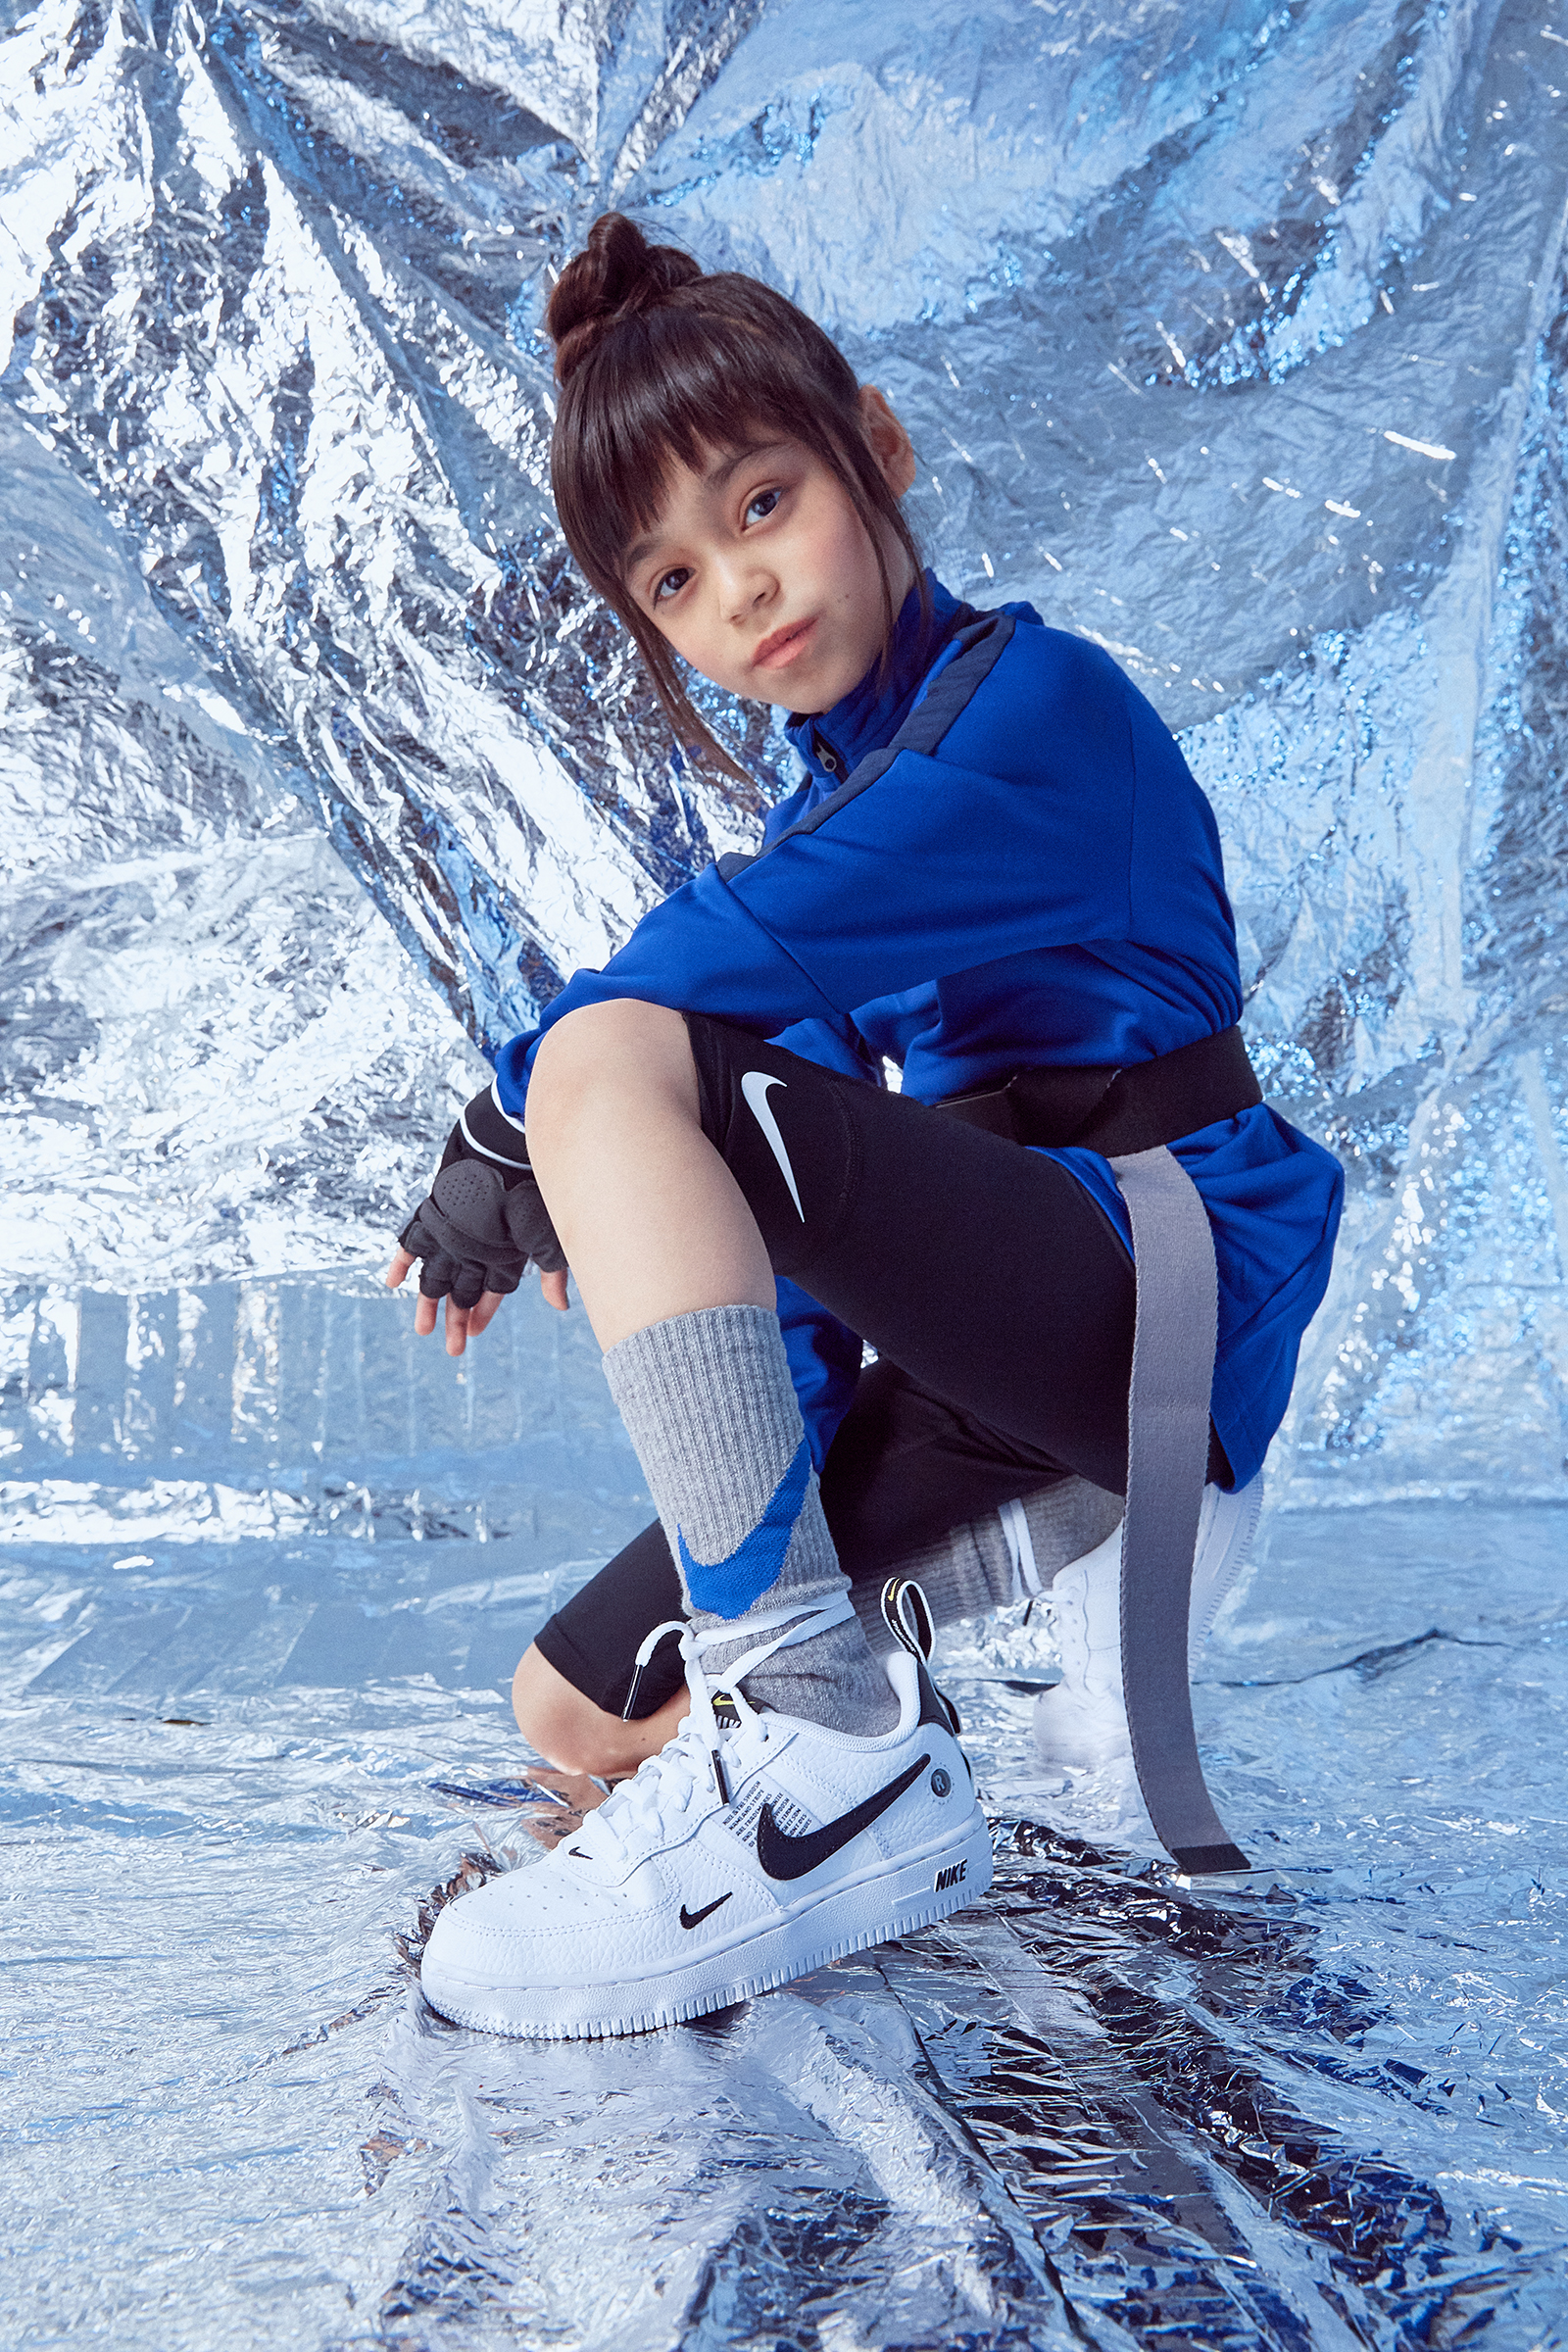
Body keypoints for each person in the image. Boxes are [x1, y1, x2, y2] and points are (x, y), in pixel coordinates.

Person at [388, 213, 1343, 2040]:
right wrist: (789, 1533)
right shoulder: (828, 823)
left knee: (613, 1055)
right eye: (675, 582)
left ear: (876, 452)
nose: (740, 593)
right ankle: (814, 1746)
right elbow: (802, 1271)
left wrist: (528, 1116)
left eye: (764, 504)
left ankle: (827, 1745)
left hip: (1160, 1278)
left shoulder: (1040, 712)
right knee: (574, 1711)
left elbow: (709, 975)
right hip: (995, 1327)